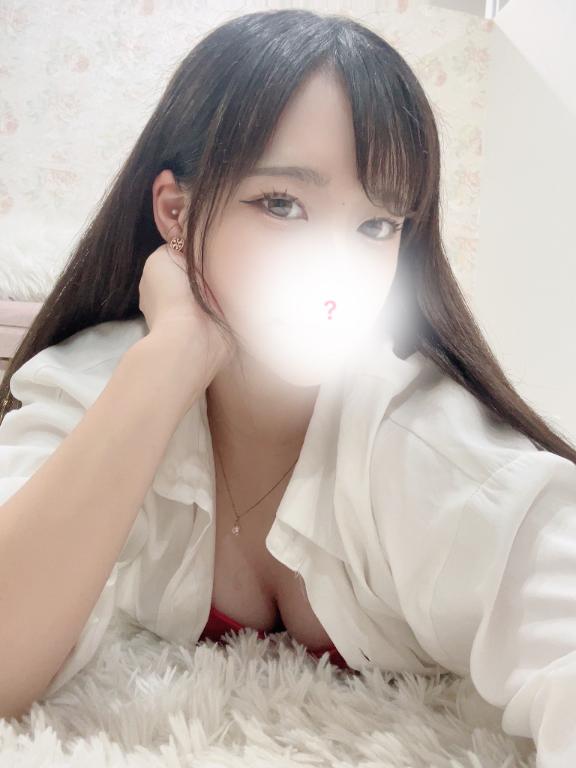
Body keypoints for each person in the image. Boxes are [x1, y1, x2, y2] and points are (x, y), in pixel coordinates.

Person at [0, 9, 574, 765]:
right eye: (282, 204)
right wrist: (171, 355)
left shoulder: (425, 443)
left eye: (377, 226)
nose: (338, 271)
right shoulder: (98, 384)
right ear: (176, 212)